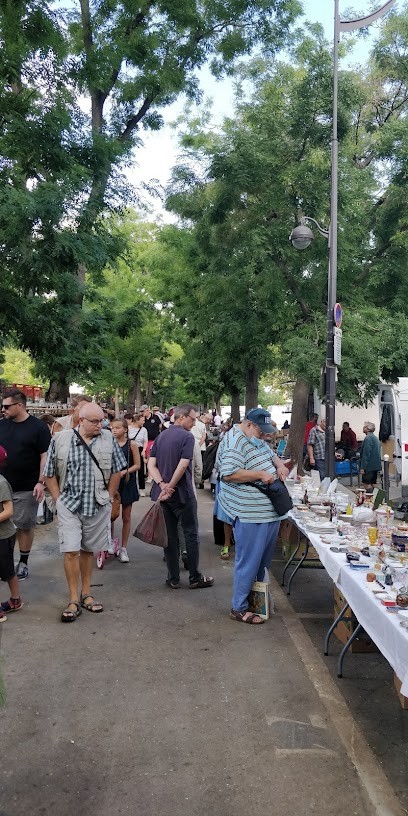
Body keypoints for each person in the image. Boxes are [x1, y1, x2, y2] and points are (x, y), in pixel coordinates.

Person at [43, 402, 126, 622]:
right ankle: (72, 598)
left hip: (96, 504)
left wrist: (109, 495)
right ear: (81, 420)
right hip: (69, 504)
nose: (101, 425)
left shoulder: (108, 439)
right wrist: (58, 499)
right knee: (70, 550)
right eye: (96, 421)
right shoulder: (61, 439)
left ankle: (86, 593)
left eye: (102, 421)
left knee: (88, 549)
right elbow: (49, 473)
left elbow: (118, 470)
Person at [218, 408, 288, 624]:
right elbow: (228, 473)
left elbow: (269, 452)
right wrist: (260, 474)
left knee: (261, 563)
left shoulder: (255, 438)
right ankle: (238, 608)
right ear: (249, 425)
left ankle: (257, 601)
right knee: (248, 562)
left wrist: (279, 465)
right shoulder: (233, 442)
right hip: (250, 513)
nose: (263, 436)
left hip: (267, 513)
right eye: (261, 432)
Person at [148, 403, 214, 590]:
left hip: (162, 494)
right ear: (182, 417)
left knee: (169, 536)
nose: (194, 423)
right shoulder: (187, 437)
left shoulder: (161, 436)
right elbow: (184, 464)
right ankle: (194, 577)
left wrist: (162, 485)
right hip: (183, 494)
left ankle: (173, 577)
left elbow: (151, 465)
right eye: (193, 419)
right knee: (190, 534)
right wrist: (171, 485)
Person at [0, 388, 51, 580]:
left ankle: (23, 562)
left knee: (25, 525)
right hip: (2, 487)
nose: (3, 409)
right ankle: (5, 564)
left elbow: (45, 456)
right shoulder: (1, 425)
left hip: (27, 485)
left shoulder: (38, 427)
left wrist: (41, 482)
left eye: (6, 406)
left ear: (19, 405)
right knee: (3, 527)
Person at [110, 418, 140, 562]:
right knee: (111, 515)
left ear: (125, 429)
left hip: (127, 482)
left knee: (126, 517)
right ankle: (109, 542)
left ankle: (123, 548)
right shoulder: (109, 443)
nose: (114, 430)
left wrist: (123, 472)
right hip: (112, 483)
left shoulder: (131, 444)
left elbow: (138, 465)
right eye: (112, 428)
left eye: (117, 427)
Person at [0, 445, 24, 621]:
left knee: (7, 570)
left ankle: (15, 600)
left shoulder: (1, 482)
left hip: (3, 536)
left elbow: (9, 511)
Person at [128, 413, 148, 496]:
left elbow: (145, 441)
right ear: (137, 420)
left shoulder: (144, 430)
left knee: (140, 469)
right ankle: (130, 487)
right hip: (130, 449)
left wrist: (144, 450)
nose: (143, 422)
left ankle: (141, 488)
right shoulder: (128, 428)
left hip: (139, 449)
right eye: (142, 420)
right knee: (129, 468)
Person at [359, 421, 382, 491]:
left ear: (368, 429)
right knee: (373, 483)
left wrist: (363, 467)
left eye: (365, 426)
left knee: (367, 484)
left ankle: (373, 499)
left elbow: (366, 454)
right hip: (375, 465)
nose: (363, 427)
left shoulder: (368, 438)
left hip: (369, 466)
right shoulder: (375, 438)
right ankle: (378, 498)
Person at [190, 412, 207, 488]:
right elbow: (204, 436)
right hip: (201, 447)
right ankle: (200, 481)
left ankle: (193, 479)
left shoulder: (190, 424)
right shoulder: (202, 425)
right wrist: (199, 445)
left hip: (192, 445)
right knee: (200, 464)